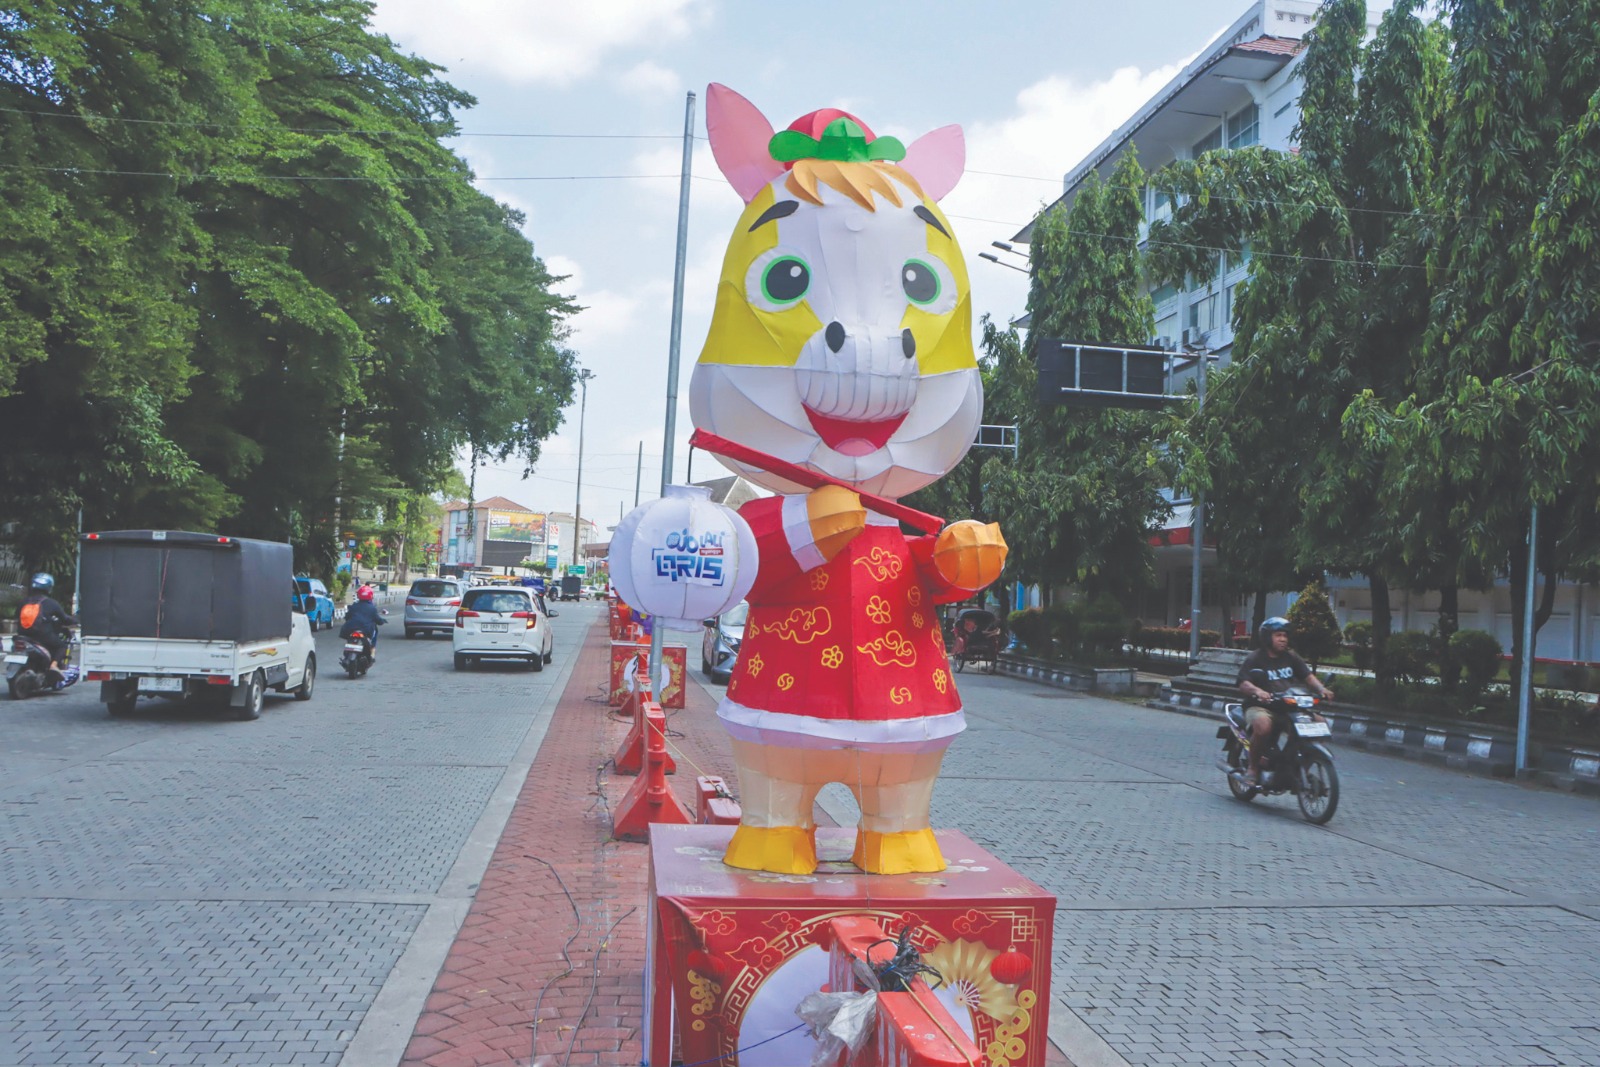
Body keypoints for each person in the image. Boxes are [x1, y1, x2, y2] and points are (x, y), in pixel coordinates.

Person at [1235, 617, 1335, 786]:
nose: (1283, 639)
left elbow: (1307, 676)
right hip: (1261, 706)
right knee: (1263, 726)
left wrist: (1321, 689)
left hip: (1288, 706)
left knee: (1320, 724)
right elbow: (1243, 682)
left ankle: (1295, 767)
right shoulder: (1256, 658)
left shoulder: (1291, 657)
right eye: (1278, 635)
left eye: (1285, 635)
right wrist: (1258, 691)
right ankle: (1253, 768)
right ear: (1267, 637)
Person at [18, 573, 77, 675]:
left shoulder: (24, 602)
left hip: (23, 635)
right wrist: (75, 620)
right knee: (61, 646)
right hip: (42, 636)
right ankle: (53, 665)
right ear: (49, 587)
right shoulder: (51, 603)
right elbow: (65, 619)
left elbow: (16, 616)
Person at [340, 584, 386, 659]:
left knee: (349, 638)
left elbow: (347, 617)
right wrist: (382, 621)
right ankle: (372, 648)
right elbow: (378, 620)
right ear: (371, 596)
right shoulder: (372, 608)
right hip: (366, 630)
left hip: (351, 629)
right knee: (375, 632)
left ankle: (347, 655)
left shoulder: (354, 606)